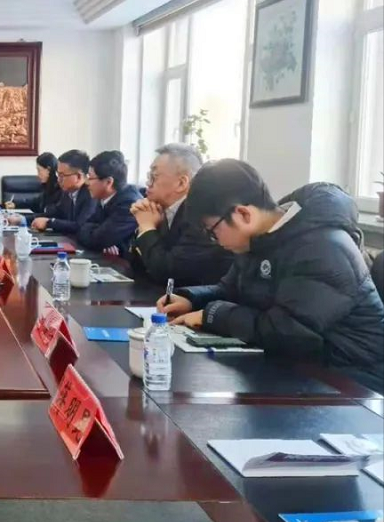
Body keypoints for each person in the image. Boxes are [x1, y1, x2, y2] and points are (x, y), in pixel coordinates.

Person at [159, 159, 384, 392]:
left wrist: (212, 315)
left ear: (243, 214)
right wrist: (191, 300)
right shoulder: (260, 240)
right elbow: (230, 290)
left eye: (212, 231)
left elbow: (289, 332)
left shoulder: (323, 248)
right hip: (301, 370)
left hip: (352, 383)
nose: (214, 240)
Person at [129, 144, 232, 285]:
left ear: (181, 183)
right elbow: (138, 268)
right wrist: (144, 226)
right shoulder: (161, 211)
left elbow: (168, 273)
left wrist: (147, 227)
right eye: (149, 176)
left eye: (154, 176)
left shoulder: (200, 217)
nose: (148, 183)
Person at [75, 150, 142, 255]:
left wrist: (102, 239)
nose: (87, 183)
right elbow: (82, 227)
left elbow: (97, 239)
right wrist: (103, 239)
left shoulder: (128, 203)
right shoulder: (104, 196)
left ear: (108, 182)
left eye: (90, 178)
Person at [30, 150, 96, 234]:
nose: (58, 180)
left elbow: (80, 226)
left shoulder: (91, 194)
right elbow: (53, 214)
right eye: (58, 175)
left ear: (79, 176)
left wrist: (49, 223)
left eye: (62, 176)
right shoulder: (67, 192)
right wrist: (23, 219)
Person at [7, 152, 61, 225]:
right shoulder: (47, 186)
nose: (38, 175)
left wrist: (23, 219)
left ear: (48, 169)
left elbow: (49, 215)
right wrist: (15, 204)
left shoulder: (60, 189)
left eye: (39, 170)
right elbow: (35, 203)